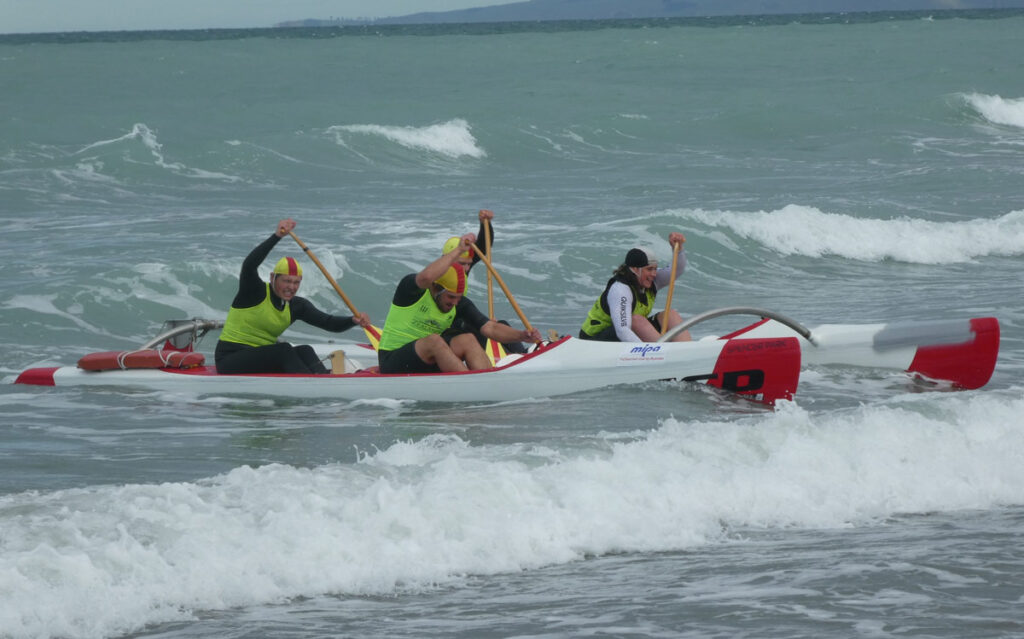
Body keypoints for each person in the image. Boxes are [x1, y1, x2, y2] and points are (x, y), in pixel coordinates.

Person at [215, 219, 372, 374]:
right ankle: (310, 384)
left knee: (305, 350)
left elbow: (329, 323)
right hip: (230, 358)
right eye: (287, 281)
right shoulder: (255, 292)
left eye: (296, 283)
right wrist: (277, 236)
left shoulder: (297, 306)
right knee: (283, 350)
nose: (291, 287)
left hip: (261, 357)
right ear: (272, 278)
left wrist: (352, 320)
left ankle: (322, 380)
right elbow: (249, 265)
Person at [377, 233, 542, 374]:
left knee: (468, 339)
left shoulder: (458, 303)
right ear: (436, 287)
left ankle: (487, 382)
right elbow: (425, 277)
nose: (455, 303)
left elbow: (490, 328)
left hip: (425, 361)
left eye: (458, 297)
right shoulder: (411, 291)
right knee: (434, 340)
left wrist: (521, 335)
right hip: (393, 361)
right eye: (450, 297)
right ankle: (470, 386)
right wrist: (460, 250)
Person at [440, 209, 528, 354]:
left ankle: (523, 355)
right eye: (462, 264)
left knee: (501, 325)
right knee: (477, 330)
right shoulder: (437, 275)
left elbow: (483, 248)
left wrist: (485, 225)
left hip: (464, 316)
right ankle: (504, 357)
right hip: (447, 329)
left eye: (468, 264)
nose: (466, 268)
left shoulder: (463, 268)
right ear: (447, 258)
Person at [579, 232, 692, 343]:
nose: (654, 274)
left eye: (655, 268)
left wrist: (678, 248)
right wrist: (644, 352)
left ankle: (687, 352)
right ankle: (660, 353)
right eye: (649, 269)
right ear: (635, 269)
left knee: (670, 315)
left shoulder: (650, 280)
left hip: (624, 338)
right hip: (593, 341)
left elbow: (676, 271)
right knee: (636, 320)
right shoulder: (620, 289)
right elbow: (622, 331)